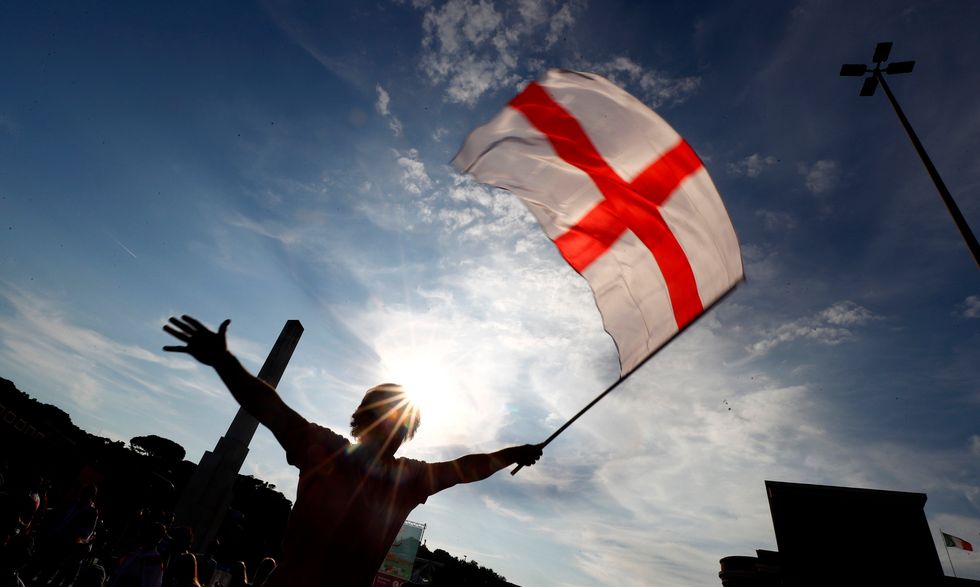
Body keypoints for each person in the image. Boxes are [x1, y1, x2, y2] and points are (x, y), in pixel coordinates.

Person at [163, 315, 542, 587]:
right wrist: (223, 362)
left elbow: (270, 409)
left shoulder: (334, 454)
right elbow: (268, 408)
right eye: (388, 420)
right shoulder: (400, 476)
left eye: (398, 424)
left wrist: (513, 452)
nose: (392, 430)